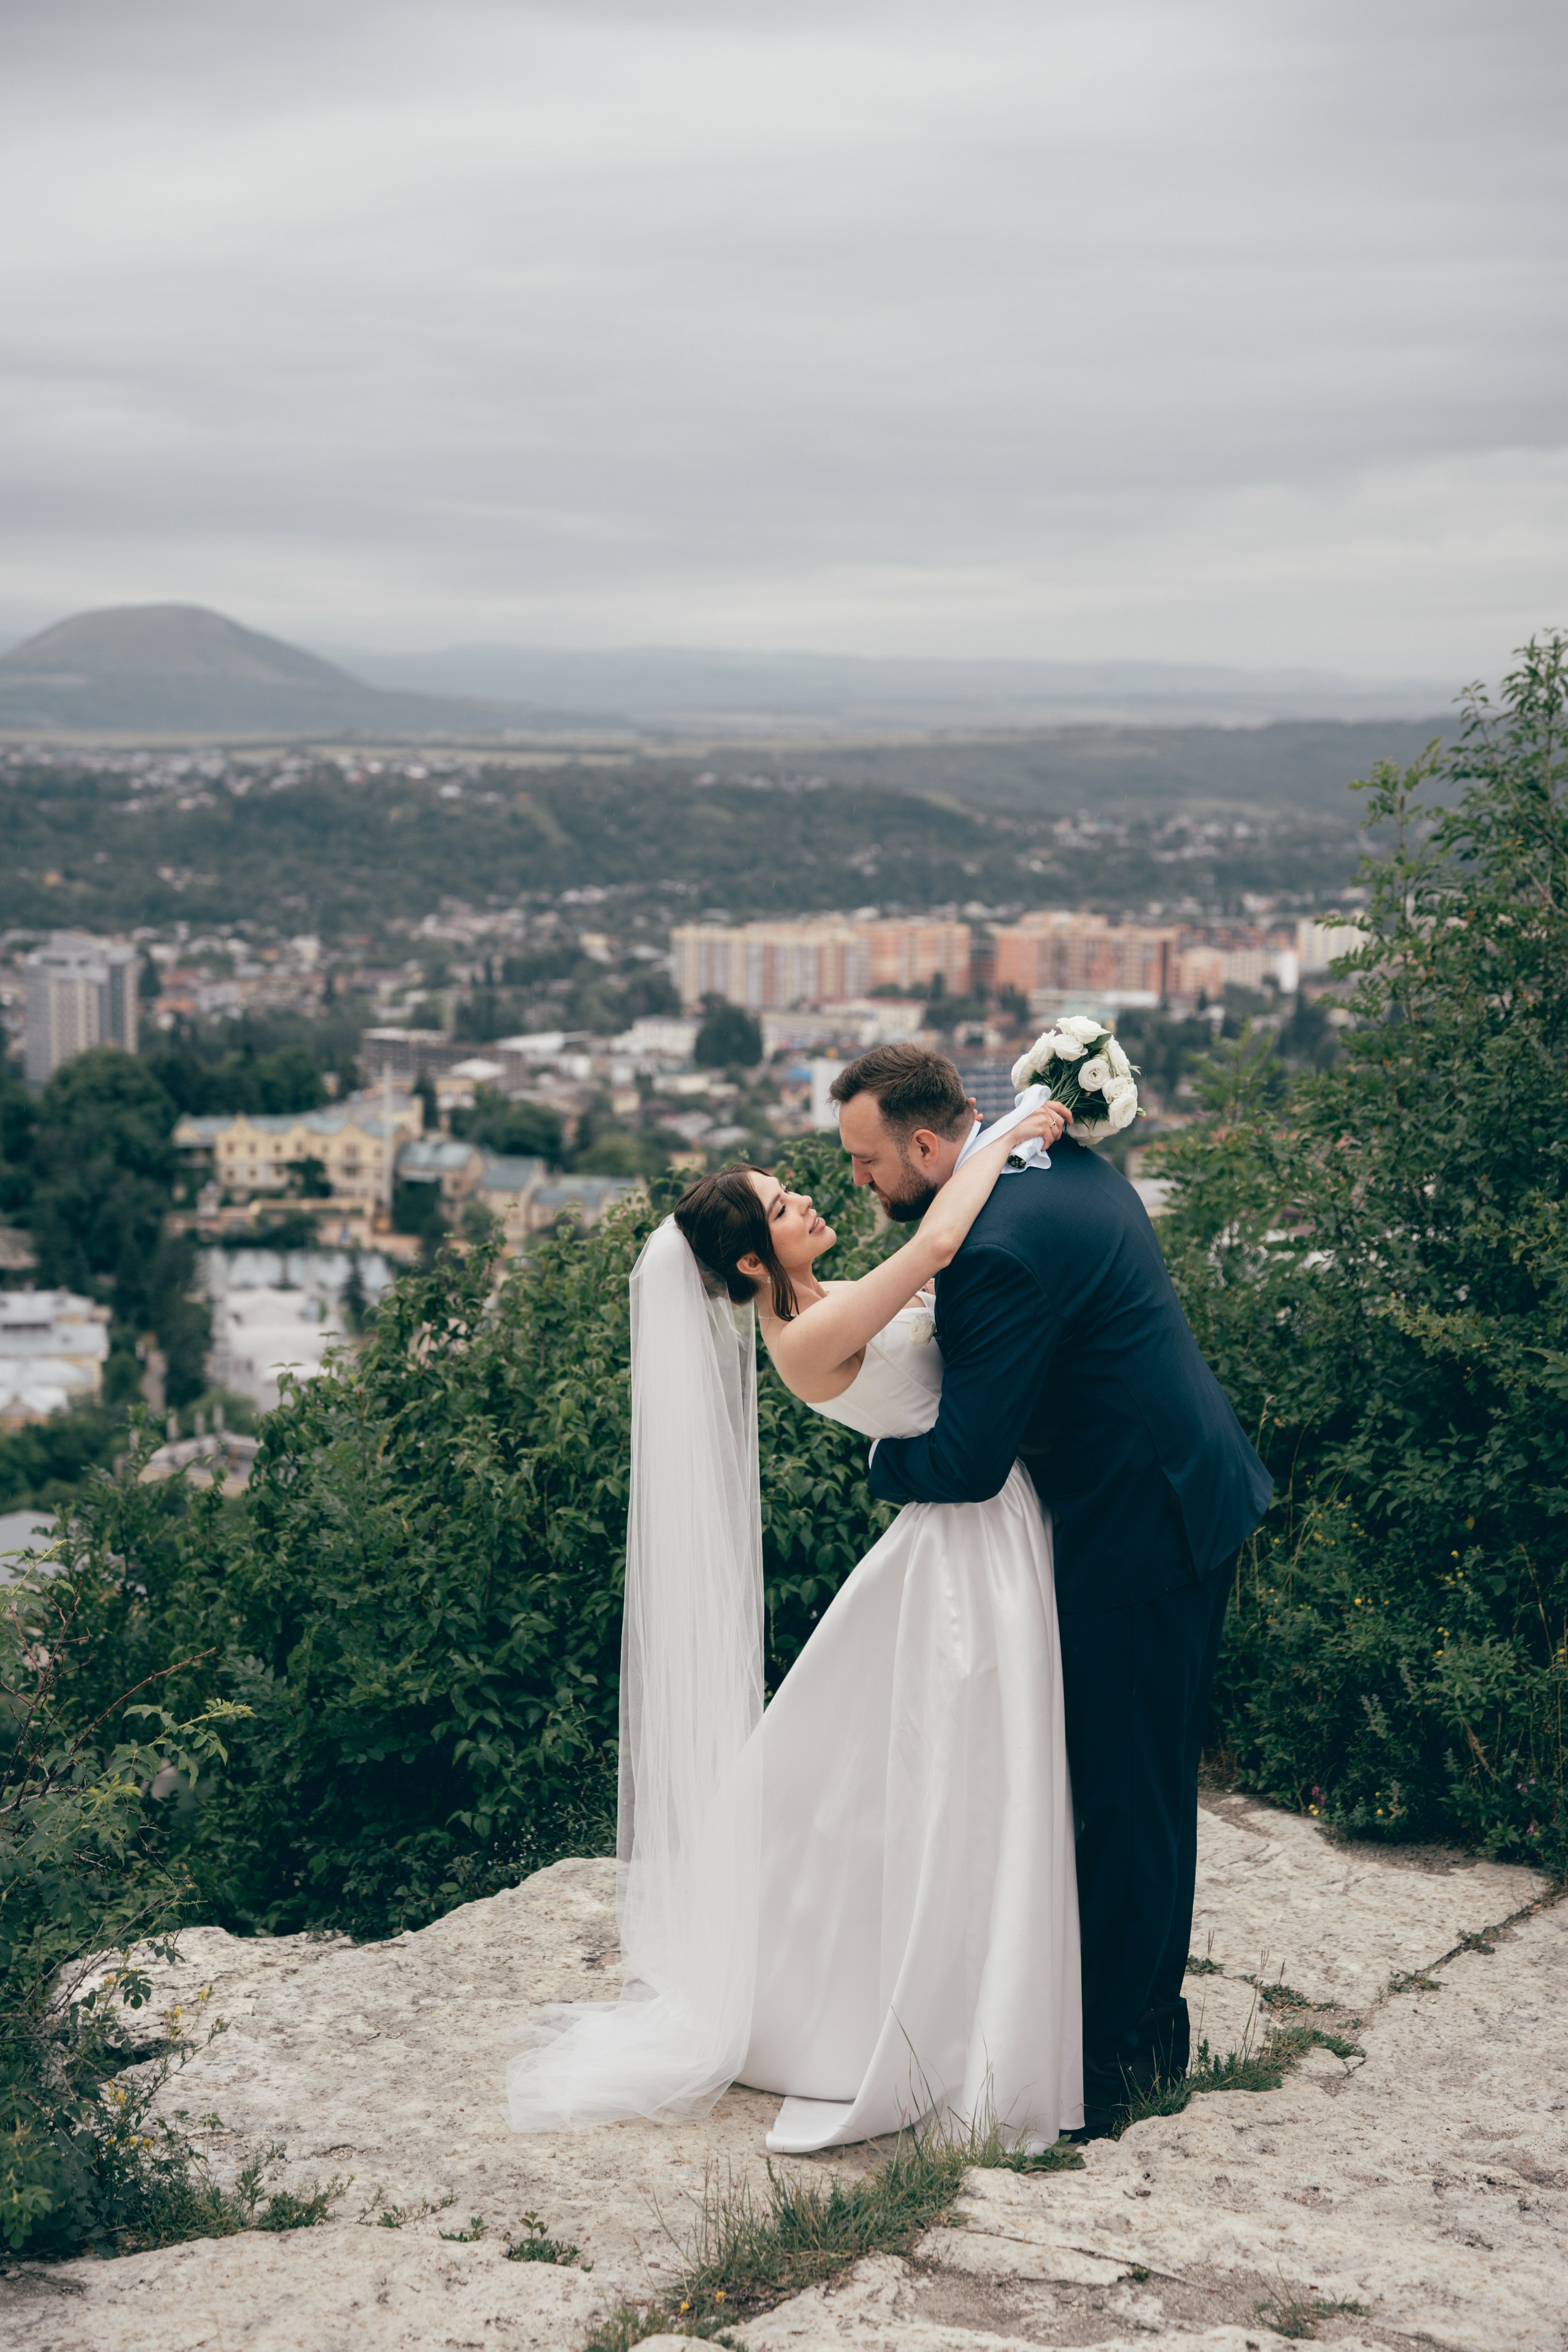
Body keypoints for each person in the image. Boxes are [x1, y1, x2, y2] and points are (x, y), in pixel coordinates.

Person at [507, 1090, 1080, 2154]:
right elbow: (946, 1236)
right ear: (751, 1267)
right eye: (782, 1203)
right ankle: (938, 2016)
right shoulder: (808, 1333)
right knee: (965, 1776)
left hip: (974, 1531)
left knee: (921, 1790)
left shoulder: (829, 1296)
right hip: (964, 1549)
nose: (808, 1195)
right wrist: (1011, 1130)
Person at [834, 1042, 1273, 2138]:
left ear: (932, 1146)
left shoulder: (995, 1250)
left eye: (865, 1161)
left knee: (1129, 1799)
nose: (857, 1183)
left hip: (1146, 1528)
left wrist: (878, 1463)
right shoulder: (1042, 1155)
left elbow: (971, 1461)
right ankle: (1125, 2030)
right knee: (1143, 1786)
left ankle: (1130, 2070)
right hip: (1174, 1487)